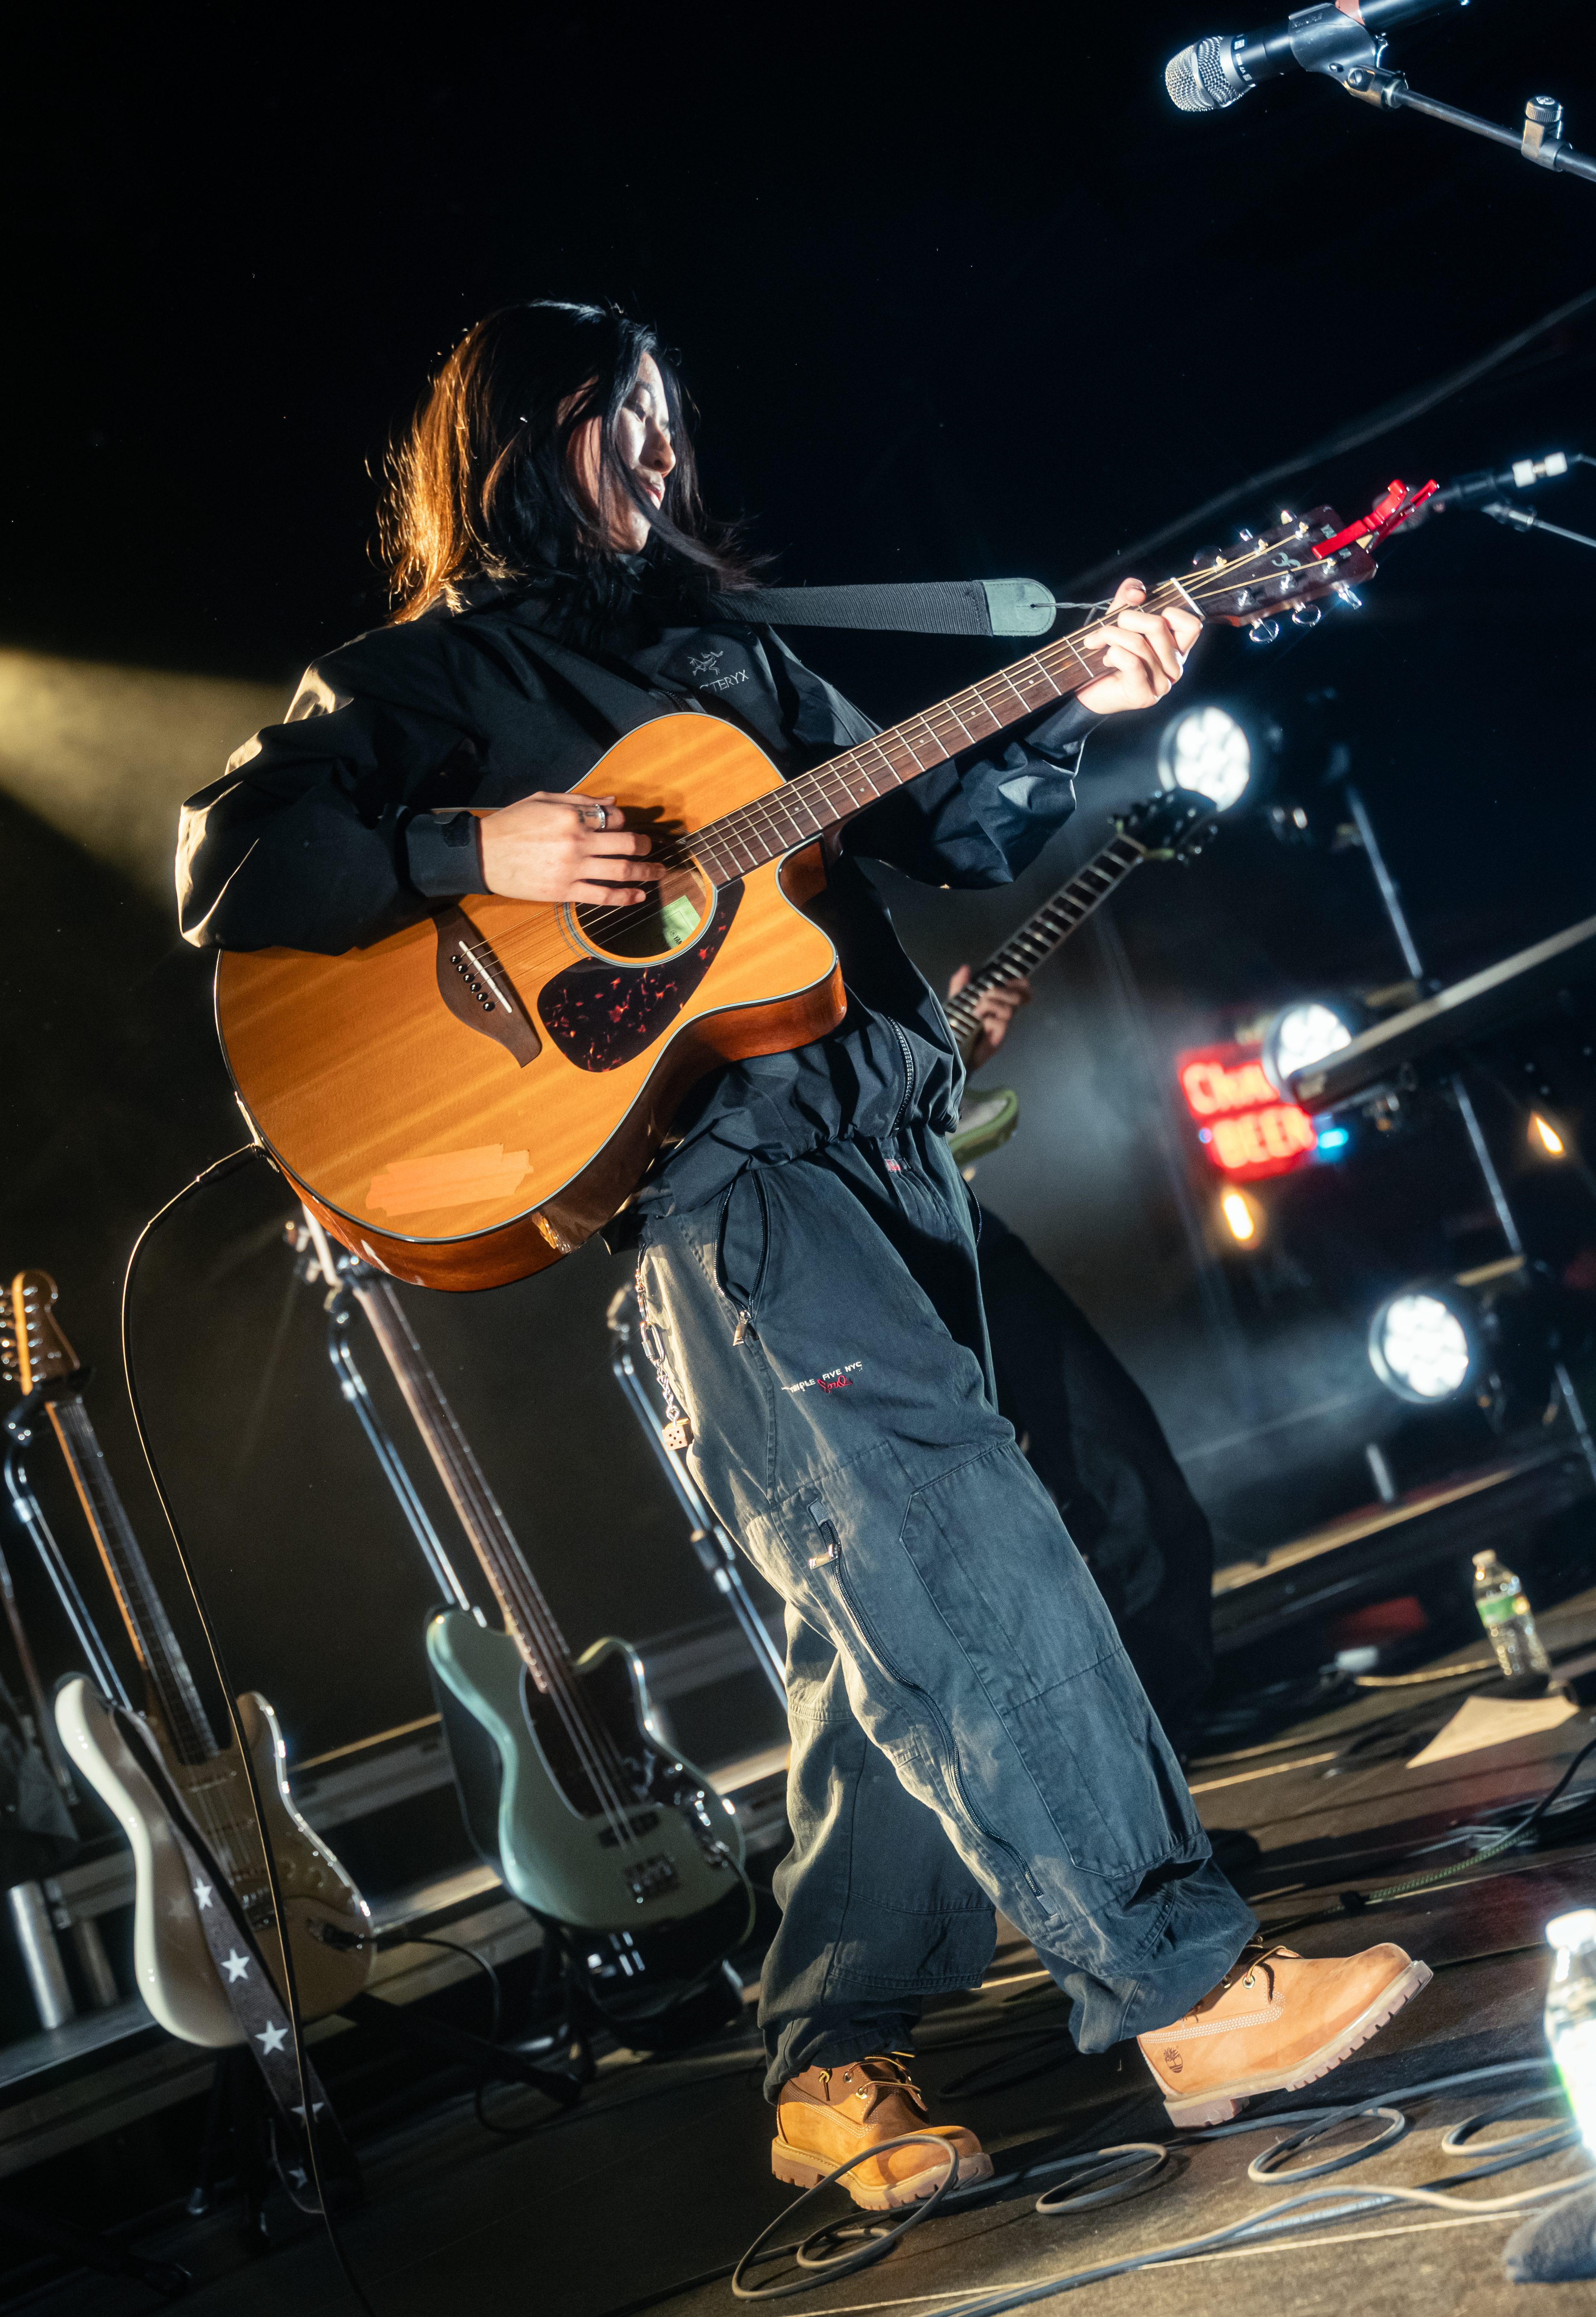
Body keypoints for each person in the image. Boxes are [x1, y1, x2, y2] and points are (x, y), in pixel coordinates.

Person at [177, 302, 1428, 2211]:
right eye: (615, 420)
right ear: (512, 442)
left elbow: (945, 822)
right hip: (721, 1191)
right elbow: (231, 860)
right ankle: (1186, 1990)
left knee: (886, 1615)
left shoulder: (725, 654)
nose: (659, 454)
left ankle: (836, 2057)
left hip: (882, 1150)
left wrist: (1085, 701)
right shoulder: (417, 681)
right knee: (961, 1549)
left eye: (666, 419)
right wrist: (476, 854)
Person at [944, 968, 1218, 1760]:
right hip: (854, 1279)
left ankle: (1167, 1758)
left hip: (966, 1234)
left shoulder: (847, 918)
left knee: (1137, 1488)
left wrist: (949, 1048)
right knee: (965, 1555)